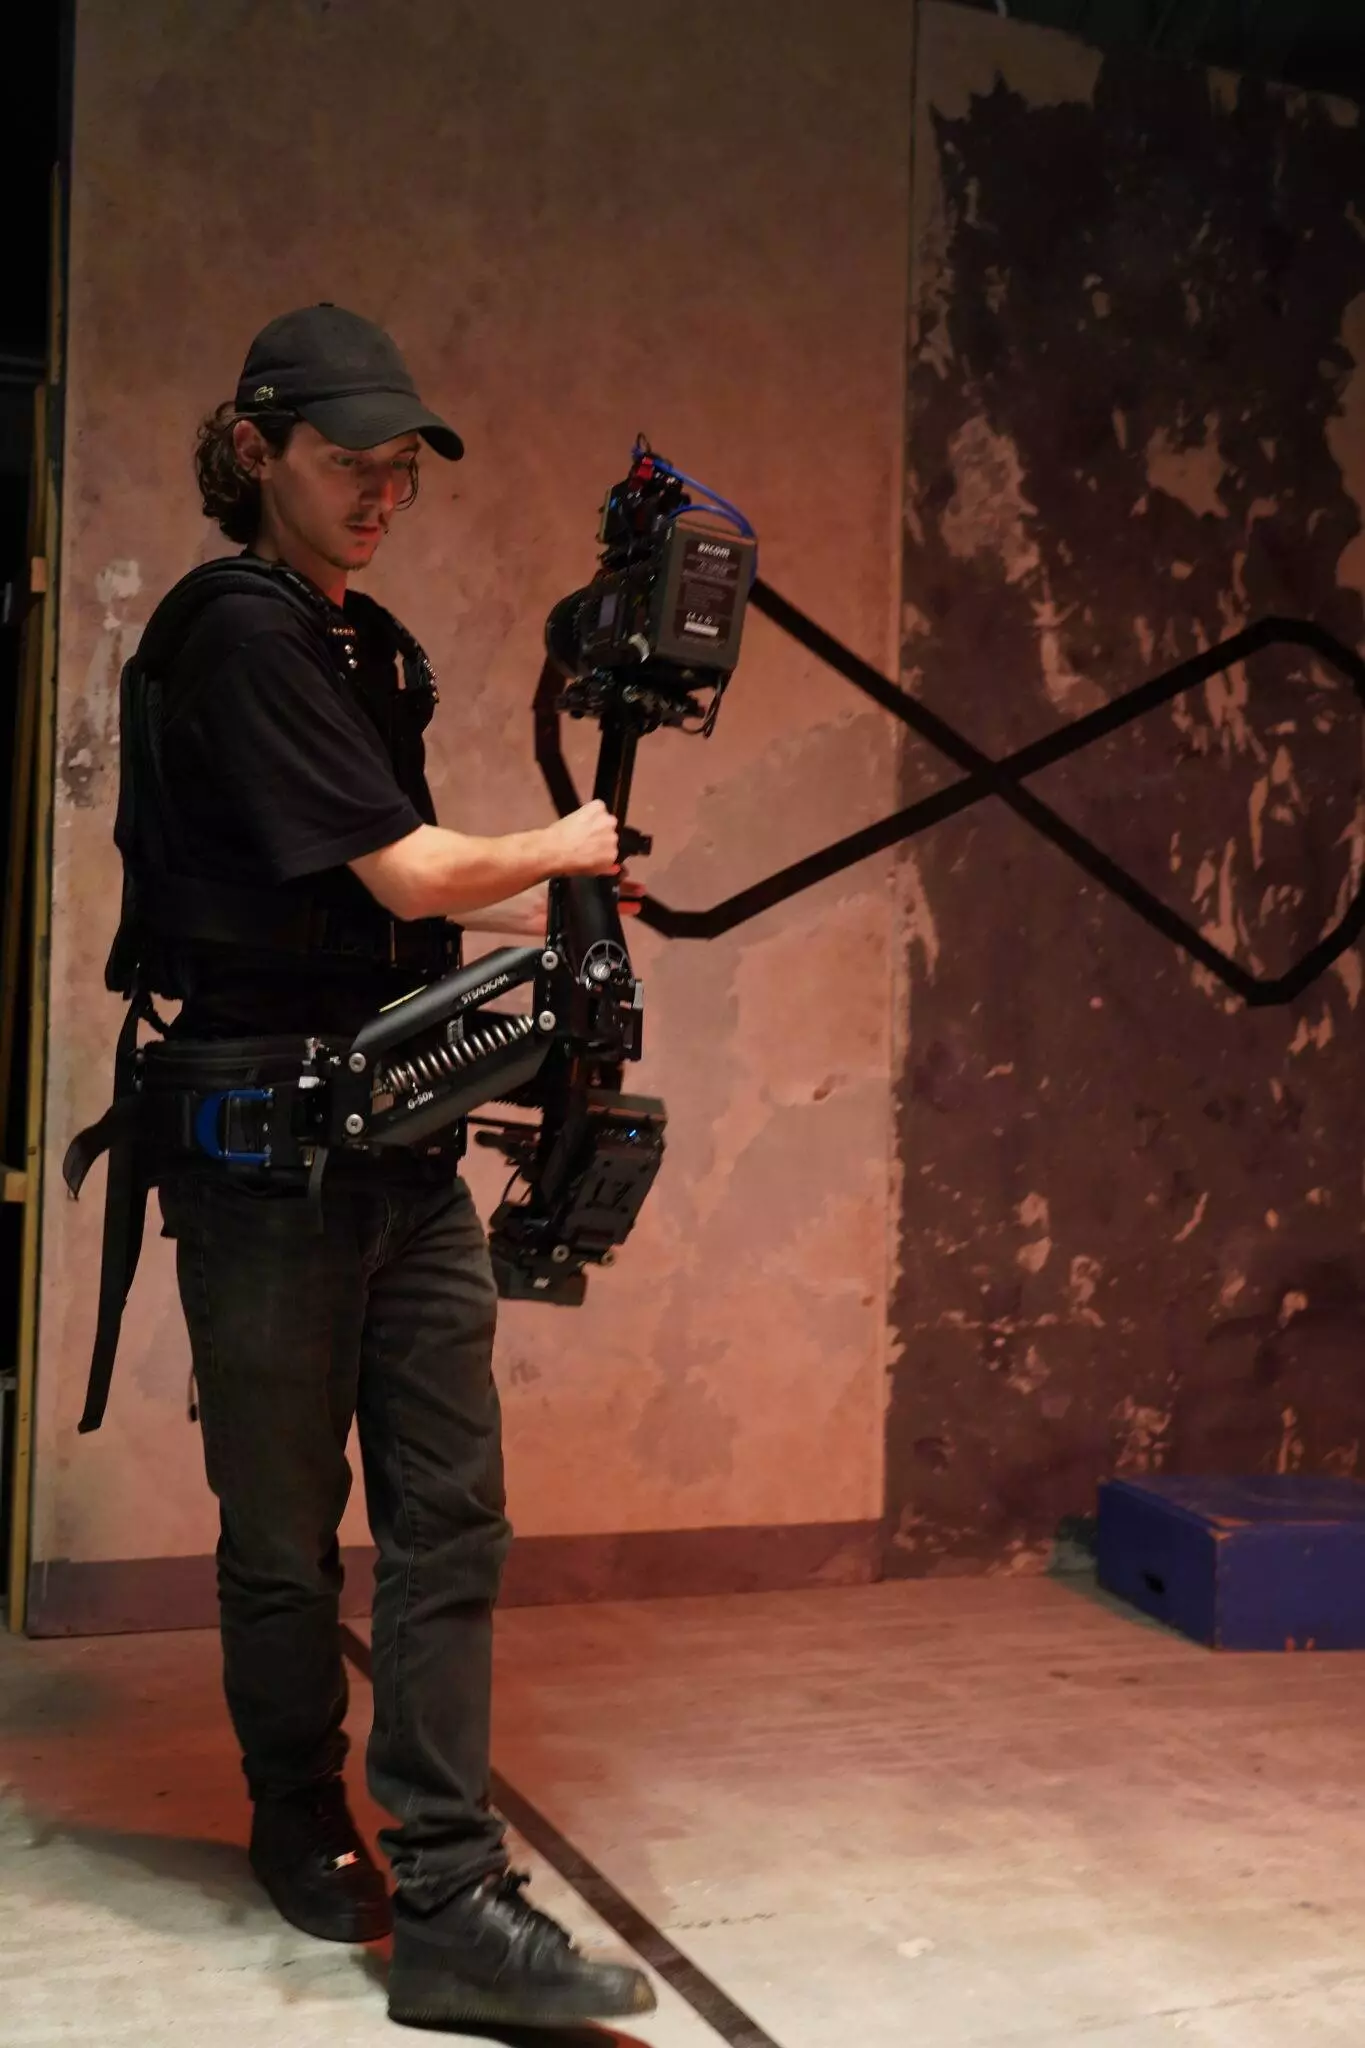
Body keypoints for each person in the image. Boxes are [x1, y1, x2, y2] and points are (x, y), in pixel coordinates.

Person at [116, 304, 655, 2029]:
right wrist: (539, 850)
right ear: (257, 450)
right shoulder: (239, 636)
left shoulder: (366, 653)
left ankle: (449, 1891)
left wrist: (567, 892)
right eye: (351, 465)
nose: (380, 495)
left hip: (392, 1129)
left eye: (402, 472)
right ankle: (296, 1808)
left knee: (452, 1515)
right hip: (261, 1146)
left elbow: (399, 883)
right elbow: (416, 875)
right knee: (283, 1533)